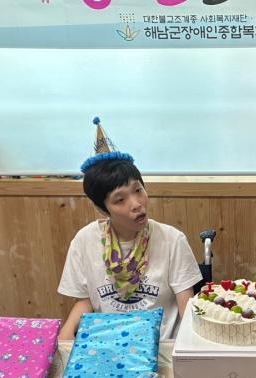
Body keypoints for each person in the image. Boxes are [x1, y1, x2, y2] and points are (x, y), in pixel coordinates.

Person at [58, 117, 202, 340]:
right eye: (120, 200)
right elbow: (85, 302)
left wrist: (188, 348)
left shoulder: (172, 239)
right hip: (108, 345)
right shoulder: (85, 240)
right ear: (102, 209)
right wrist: (64, 339)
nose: (136, 204)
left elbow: (186, 306)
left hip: (162, 346)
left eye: (138, 190)